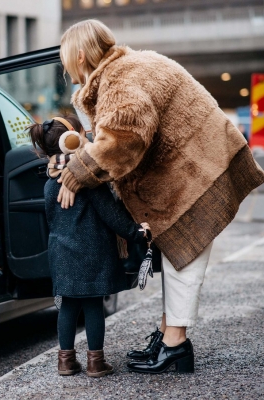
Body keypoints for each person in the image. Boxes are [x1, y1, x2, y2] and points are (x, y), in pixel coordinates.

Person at [57, 20, 264, 373]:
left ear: (79, 54)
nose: (66, 69)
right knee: (176, 256)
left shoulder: (123, 78)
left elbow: (122, 138)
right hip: (196, 168)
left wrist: (77, 173)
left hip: (201, 173)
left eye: (65, 60)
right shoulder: (124, 69)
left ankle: (176, 345)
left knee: (184, 258)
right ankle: (170, 334)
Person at [29, 114, 150, 377]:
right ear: (71, 141)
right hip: (92, 251)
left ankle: (66, 361)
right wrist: (137, 232)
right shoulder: (89, 182)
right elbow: (111, 215)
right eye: (84, 134)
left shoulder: (50, 182)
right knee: (94, 305)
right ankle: (96, 362)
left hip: (61, 252)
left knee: (67, 305)